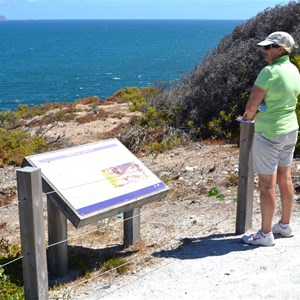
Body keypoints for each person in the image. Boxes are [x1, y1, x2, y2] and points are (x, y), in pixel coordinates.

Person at [241, 31, 300, 246]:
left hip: (269, 133)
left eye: (268, 47)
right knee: (285, 176)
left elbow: (251, 106)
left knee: (267, 184)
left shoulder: (269, 72)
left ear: (280, 49)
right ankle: (284, 225)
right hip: (291, 129)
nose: (264, 51)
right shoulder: (293, 69)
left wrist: (248, 117)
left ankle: (265, 234)